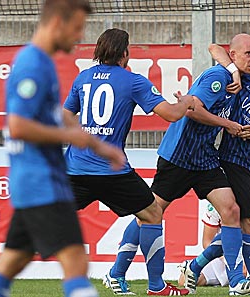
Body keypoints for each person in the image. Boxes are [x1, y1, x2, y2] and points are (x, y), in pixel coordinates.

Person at [0, 1, 126, 297]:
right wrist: (73, 137)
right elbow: (18, 125)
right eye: (77, 27)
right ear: (58, 21)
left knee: (12, 262)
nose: (79, 36)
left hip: (34, 183)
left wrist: (95, 143)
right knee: (76, 263)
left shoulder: (42, 62)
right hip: (42, 182)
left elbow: (54, 114)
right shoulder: (32, 64)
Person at [112, 34, 250, 296]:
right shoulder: (217, 78)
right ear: (234, 56)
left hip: (205, 158)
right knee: (149, 214)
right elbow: (191, 109)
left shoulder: (238, 78)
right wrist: (228, 123)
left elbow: (215, 47)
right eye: (249, 55)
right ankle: (117, 272)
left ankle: (236, 283)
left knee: (231, 210)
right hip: (179, 156)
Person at [62, 28, 195, 296]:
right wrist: (188, 102)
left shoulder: (83, 78)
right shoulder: (133, 81)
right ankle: (156, 286)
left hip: (75, 167)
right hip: (111, 172)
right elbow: (170, 114)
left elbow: (65, 114)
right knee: (151, 214)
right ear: (125, 53)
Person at [180, 40, 250, 295]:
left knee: (243, 227)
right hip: (231, 159)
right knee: (249, 223)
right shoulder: (247, 79)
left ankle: (195, 266)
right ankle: (247, 281)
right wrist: (232, 71)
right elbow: (213, 48)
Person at [178, 187, 250, 295]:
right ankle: (233, 280)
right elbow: (207, 241)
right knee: (183, 280)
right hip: (225, 255)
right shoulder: (219, 198)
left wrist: (248, 259)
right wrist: (229, 259)